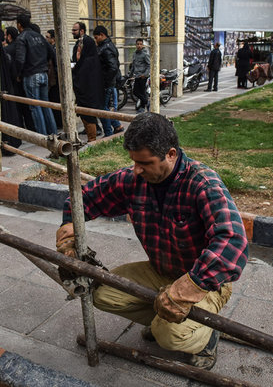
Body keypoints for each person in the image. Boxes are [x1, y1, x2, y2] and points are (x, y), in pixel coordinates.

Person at [56, 113, 248, 370]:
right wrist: (68, 229)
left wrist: (187, 289)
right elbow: (82, 198)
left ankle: (204, 338)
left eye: (144, 163)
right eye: (134, 161)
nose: (136, 169)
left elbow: (233, 241)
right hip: (160, 271)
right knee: (100, 294)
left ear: (170, 154)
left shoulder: (202, 183)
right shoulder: (135, 180)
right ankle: (164, 320)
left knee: (169, 335)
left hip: (204, 283)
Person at [14, 14, 58, 136]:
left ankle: (42, 136)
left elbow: (20, 59)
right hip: (43, 73)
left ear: (19, 25)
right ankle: (53, 133)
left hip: (31, 74)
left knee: (35, 107)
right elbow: (51, 53)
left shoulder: (22, 38)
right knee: (45, 104)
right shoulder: (39, 36)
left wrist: (18, 73)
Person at [93, 25, 124, 137]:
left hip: (106, 83)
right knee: (103, 107)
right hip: (106, 82)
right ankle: (117, 125)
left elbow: (113, 67)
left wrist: (105, 82)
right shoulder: (105, 46)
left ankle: (108, 132)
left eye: (96, 37)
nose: (95, 40)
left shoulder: (106, 48)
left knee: (102, 108)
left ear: (102, 35)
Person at [72, 30, 103, 142]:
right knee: (87, 117)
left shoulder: (88, 62)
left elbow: (81, 79)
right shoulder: (89, 59)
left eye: (80, 46)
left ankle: (92, 141)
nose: (78, 49)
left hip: (88, 97)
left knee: (89, 118)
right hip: (87, 96)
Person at [4, 26, 35, 132]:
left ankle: (22, 129)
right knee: (28, 106)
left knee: (18, 106)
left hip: (15, 81)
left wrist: (17, 74)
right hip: (25, 78)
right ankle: (32, 128)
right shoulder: (22, 46)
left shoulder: (8, 49)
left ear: (9, 36)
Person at [45, 29, 62, 129]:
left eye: (47, 37)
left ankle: (59, 123)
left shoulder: (55, 50)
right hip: (53, 80)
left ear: (53, 39)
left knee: (56, 101)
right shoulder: (51, 48)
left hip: (56, 80)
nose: (46, 39)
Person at [129, 38, 150, 112]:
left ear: (143, 45)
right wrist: (130, 74)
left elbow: (149, 65)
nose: (139, 45)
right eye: (137, 44)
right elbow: (133, 65)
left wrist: (145, 74)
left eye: (140, 44)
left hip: (143, 76)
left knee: (141, 92)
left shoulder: (145, 54)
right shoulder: (135, 54)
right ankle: (146, 103)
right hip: (137, 75)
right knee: (136, 91)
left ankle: (142, 107)